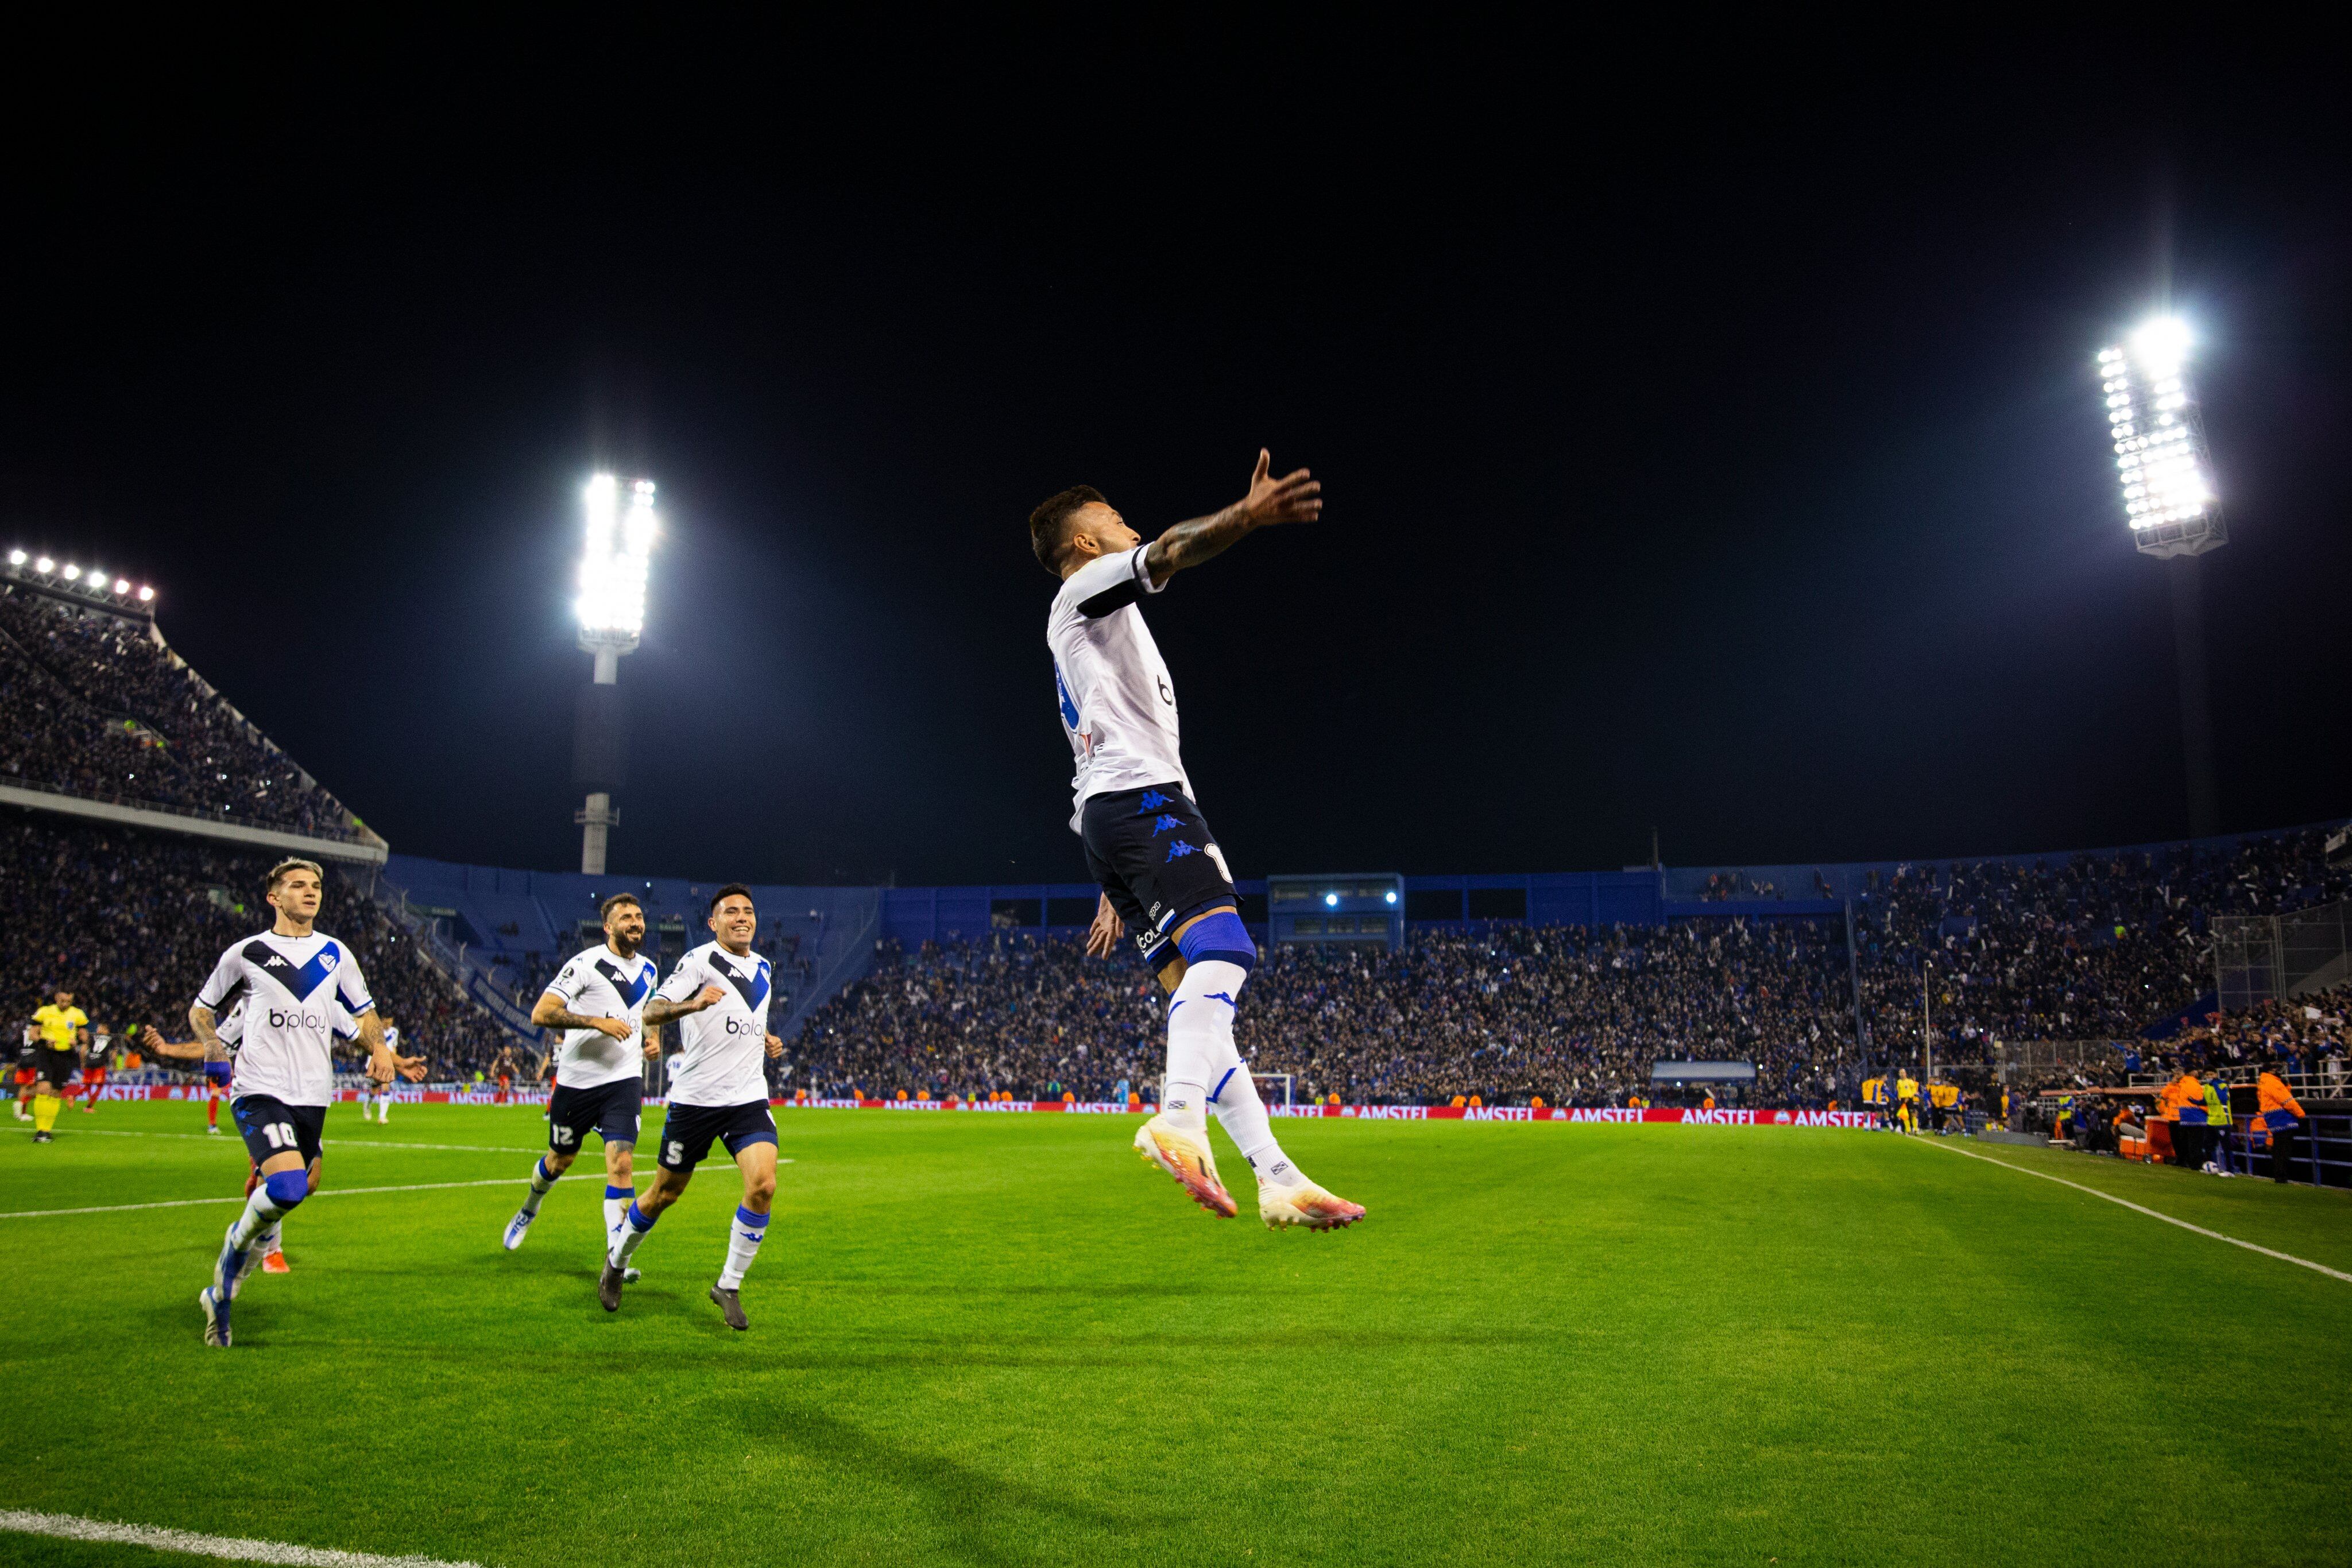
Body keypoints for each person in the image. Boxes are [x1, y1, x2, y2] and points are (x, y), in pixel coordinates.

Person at [1030, 453, 1363, 1232]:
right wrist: (1245, 517)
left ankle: (1277, 1174)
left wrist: (1116, 881)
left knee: (1194, 998)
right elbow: (1172, 549)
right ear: (1083, 544)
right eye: (1113, 520)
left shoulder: (1094, 624)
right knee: (1230, 951)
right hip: (1146, 804)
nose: (1130, 526)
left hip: (1111, 823)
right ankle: (1178, 1115)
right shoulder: (1082, 590)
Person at [187, 857, 423, 1348]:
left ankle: (228, 1280)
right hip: (259, 1090)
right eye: (297, 885)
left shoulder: (336, 954)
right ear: (274, 897)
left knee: (304, 1185)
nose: (310, 892)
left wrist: (381, 1047)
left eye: (315, 885)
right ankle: (227, 1279)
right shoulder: (247, 952)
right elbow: (202, 1010)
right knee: (290, 1185)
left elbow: (364, 1016)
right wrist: (212, 1046)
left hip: (313, 1096)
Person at [602, 884, 786, 1329]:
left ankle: (729, 1283)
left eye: (748, 911)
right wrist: (694, 1003)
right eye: (731, 912)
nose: (742, 918)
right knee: (666, 1193)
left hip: (746, 1097)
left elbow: (743, 1016)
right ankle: (617, 1259)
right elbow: (652, 1010)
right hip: (696, 1100)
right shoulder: (699, 961)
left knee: (763, 1185)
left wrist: (765, 1038)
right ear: (714, 922)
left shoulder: (763, 965)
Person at [505, 893, 662, 1276]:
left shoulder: (650, 970)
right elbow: (541, 1013)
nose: (635, 922)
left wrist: (653, 1037)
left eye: (639, 916)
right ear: (608, 927)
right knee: (560, 1160)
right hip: (578, 1083)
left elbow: (650, 1009)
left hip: (623, 1081)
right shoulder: (586, 964)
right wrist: (596, 1021)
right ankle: (530, 1207)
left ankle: (616, 1255)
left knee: (622, 1165)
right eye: (626, 917)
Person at [27, 987, 89, 1143]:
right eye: (62, 1000)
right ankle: (40, 1130)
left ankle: (47, 1131)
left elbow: (84, 1036)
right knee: (43, 1089)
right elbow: (33, 1034)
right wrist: (45, 1042)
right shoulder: (44, 1012)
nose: (65, 1003)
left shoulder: (78, 1014)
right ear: (56, 998)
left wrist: (78, 1041)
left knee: (56, 1093)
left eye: (68, 1001)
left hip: (66, 1056)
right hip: (46, 1054)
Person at [2256, 1059, 2309, 1184]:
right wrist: (2301, 1114)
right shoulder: (2273, 1082)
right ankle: (2281, 1177)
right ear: (2271, 1071)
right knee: (2283, 1150)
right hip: (2282, 1118)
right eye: (2276, 1069)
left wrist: (2286, 1086)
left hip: (2273, 1119)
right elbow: (2287, 1101)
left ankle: (2279, 1176)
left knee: (2279, 1148)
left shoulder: (2264, 1082)